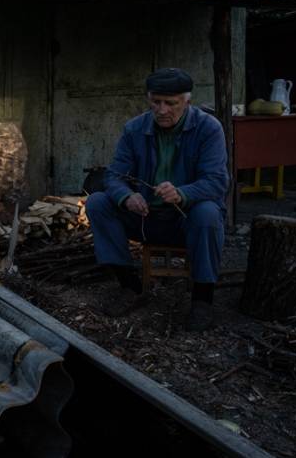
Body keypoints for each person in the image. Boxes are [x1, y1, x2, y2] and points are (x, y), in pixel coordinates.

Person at [84, 68, 228, 331]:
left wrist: (183, 193)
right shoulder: (134, 129)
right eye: (155, 102)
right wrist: (127, 196)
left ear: (187, 102)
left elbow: (217, 181)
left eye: (170, 103)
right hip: (145, 218)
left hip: (187, 220)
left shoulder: (209, 129)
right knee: (97, 202)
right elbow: (113, 175)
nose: (162, 110)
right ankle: (129, 286)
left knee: (208, 212)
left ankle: (202, 300)